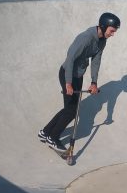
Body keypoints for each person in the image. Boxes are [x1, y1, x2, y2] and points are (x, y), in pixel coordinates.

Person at [38, 12, 121, 151]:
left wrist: (94, 82)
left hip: (78, 75)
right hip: (67, 73)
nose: (113, 34)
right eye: (112, 31)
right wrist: (68, 83)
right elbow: (70, 58)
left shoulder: (102, 41)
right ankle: (53, 137)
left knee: (69, 109)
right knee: (72, 111)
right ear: (103, 26)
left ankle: (45, 132)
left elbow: (96, 61)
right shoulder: (86, 37)